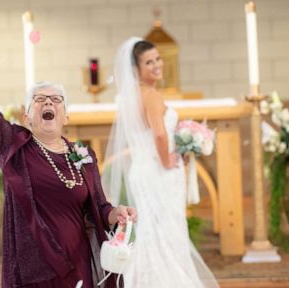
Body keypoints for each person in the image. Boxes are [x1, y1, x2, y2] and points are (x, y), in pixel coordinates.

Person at [0, 13, 137, 288]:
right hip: (35, 267)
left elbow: (99, 208)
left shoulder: (84, 155)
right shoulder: (14, 145)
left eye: (56, 100)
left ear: (65, 116)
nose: (49, 103)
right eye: (39, 100)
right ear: (27, 117)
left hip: (77, 260)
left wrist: (116, 213)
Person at [103, 37, 219, 287]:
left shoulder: (130, 96)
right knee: (168, 233)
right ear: (136, 69)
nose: (156, 65)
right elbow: (158, 133)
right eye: (149, 62)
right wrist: (168, 161)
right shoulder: (151, 95)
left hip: (142, 171)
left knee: (152, 234)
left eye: (158, 59)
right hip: (158, 172)